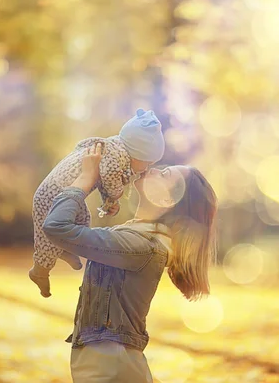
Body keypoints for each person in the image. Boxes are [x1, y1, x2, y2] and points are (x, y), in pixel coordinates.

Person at [33, 142, 217, 382]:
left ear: (167, 200)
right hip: (107, 364)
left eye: (164, 174)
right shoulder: (136, 236)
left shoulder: (141, 247)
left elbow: (57, 227)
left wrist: (86, 178)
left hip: (110, 368)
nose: (152, 168)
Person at [30, 109, 166, 296]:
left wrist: (108, 200)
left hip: (69, 194)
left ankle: (63, 247)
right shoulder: (117, 157)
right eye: (147, 162)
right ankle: (40, 270)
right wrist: (114, 196)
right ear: (137, 154)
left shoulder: (115, 148)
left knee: (83, 217)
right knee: (47, 237)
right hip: (52, 194)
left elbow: (101, 178)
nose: (147, 168)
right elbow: (110, 180)